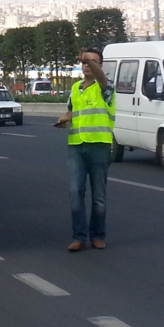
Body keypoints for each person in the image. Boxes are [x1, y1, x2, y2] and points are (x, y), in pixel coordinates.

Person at [54, 48, 116, 252]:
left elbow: (101, 79)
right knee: (75, 191)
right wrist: (65, 119)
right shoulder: (75, 88)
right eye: (85, 62)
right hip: (76, 146)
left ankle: (97, 235)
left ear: (100, 66)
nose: (87, 65)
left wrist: (92, 62)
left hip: (99, 146)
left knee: (98, 195)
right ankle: (79, 236)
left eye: (93, 62)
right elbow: (73, 110)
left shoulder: (105, 87)